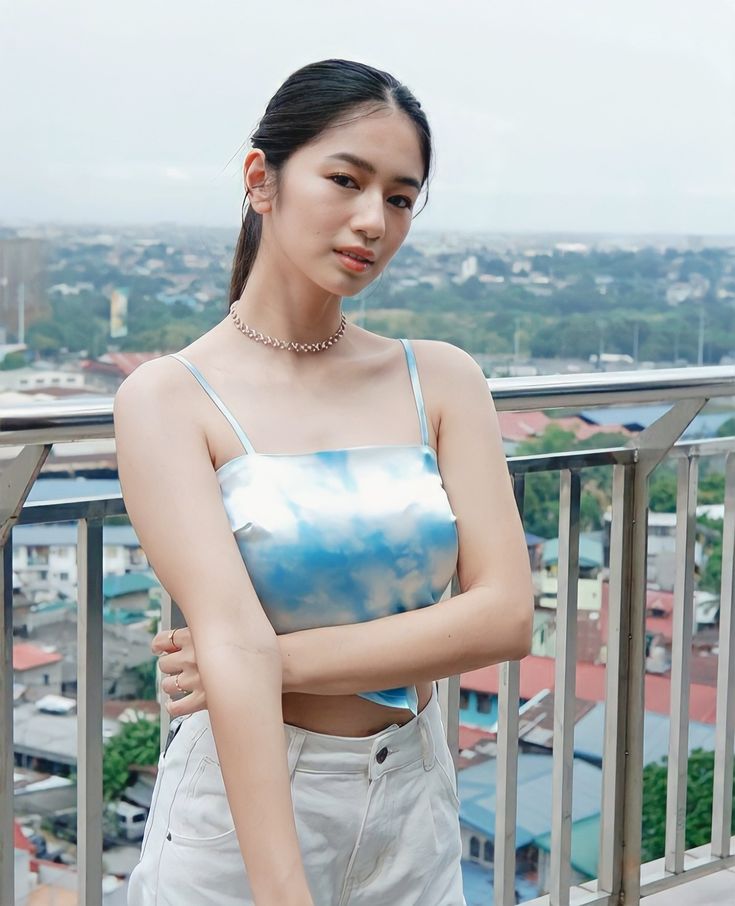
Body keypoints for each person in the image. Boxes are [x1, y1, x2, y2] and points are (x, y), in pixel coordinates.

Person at [114, 58, 533, 906]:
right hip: (244, 815)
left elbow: (505, 615)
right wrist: (283, 892)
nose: (371, 219)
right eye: (344, 179)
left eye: (400, 198)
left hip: (413, 791)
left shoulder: (442, 380)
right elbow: (226, 635)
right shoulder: (168, 397)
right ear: (260, 180)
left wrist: (264, 659)